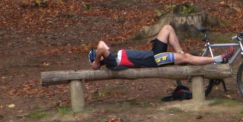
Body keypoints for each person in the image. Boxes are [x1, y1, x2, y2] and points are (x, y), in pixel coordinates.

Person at [88, 24, 233, 70]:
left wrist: (96, 59)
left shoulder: (112, 57)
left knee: (167, 28)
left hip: (153, 54)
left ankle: (180, 55)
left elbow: (101, 45)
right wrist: (95, 63)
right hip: (155, 60)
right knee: (187, 57)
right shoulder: (112, 62)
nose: (105, 48)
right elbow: (101, 48)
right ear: (100, 58)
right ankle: (218, 59)